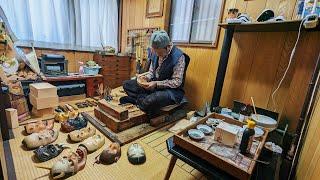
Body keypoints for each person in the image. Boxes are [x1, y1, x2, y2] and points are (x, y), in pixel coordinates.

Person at [121, 30, 187, 117]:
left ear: (167, 47)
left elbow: (177, 82)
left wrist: (156, 84)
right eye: (155, 52)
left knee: (152, 100)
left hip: (171, 91)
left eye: (159, 52)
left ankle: (139, 101)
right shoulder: (155, 52)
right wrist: (146, 78)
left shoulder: (179, 57)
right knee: (127, 84)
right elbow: (151, 72)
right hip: (154, 88)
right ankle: (143, 102)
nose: (156, 54)